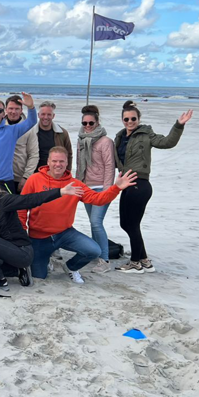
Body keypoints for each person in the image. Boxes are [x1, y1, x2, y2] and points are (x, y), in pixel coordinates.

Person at [19, 146, 137, 283]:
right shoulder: (34, 179)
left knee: (94, 250)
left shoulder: (75, 184)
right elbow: (22, 207)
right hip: (39, 237)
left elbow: (98, 199)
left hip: (65, 233)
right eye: (54, 161)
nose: (58, 164)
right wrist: (23, 231)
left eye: (61, 161)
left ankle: (70, 267)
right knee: (39, 276)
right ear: (48, 162)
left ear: (67, 163)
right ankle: (46, 258)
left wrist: (116, 188)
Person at [113, 101, 193, 273]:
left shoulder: (146, 134)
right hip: (126, 184)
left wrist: (179, 125)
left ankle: (135, 263)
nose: (130, 122)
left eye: (133, 119)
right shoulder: (119, 137)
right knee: (126, 223)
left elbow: (167, 142)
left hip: (139, 184)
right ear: (122, 120)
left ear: (139, 119)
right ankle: (144, 260)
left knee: (132, 225)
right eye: (126, 119)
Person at [0, 175, 82, 290]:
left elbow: (30, 199)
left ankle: (1, 280)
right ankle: (18, 271)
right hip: (4, 250)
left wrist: (60, 192)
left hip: (21, 251)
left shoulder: (3, 200)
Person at [75, 105, 116, 273]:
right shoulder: (81, 139)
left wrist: (107, 191)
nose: (87, 126)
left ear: (97, 122)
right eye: (84, 123)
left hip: (101, 187)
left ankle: (104, 260)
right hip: (86, 187)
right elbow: (79, 164)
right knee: (92, 223)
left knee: (96, 222)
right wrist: (78, 185)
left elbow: (110, 166)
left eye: (91, 123)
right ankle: (96, 253)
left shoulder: (106, 141)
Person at [6, 95, 39, 193]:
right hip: (1, 177)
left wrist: (26, 177)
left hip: (19, 178)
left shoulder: (29, 128)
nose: (13, 112)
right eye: (11, 108)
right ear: (5, 109)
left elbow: (33, 154)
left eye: (17, 109)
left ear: (21, 110)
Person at [29, 101, 73, 170]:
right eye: (43, 114)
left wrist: (67, 172)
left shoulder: (62, 133)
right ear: (38, 115)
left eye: (49, 114)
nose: (46, 117)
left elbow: (69, 155)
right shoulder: (31, 133)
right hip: (35, 173)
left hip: (56, 172)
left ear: (53, 116)